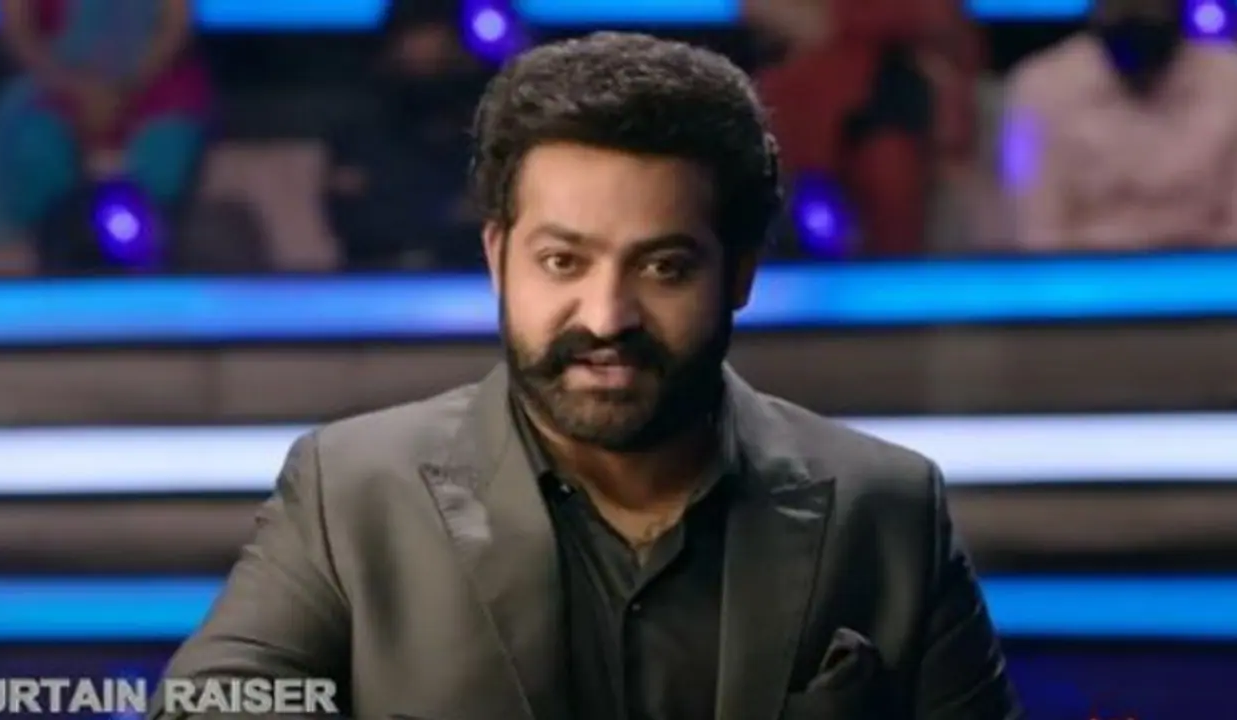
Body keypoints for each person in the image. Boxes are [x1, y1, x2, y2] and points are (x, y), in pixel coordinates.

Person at [151, 33, 1022, 720]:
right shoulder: (350, 494)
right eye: (563, 262)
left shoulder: (889, 511)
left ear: (740, 274)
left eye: (664, 267)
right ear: (498, 258)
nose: (606, 317)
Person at [0, 0, 210, 264]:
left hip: (149, 81)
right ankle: (55, 254)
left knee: (167, 152)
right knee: (36, 146)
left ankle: (148, 256)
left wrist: (125, 86)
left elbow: (175, 24)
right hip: (54, 82)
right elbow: (16, 30)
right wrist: (75, 88)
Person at [1003, 0, 1237, 251]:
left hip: (1208, 268)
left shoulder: (1230, 81)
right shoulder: (1038, 88)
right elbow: (1035, 228)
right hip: (1082, 269)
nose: (1135, 13)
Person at [751, 0, 981, 256]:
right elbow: (761, 8)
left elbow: (936, 17)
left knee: (888, 162)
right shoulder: (788, 85)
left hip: (901, 90)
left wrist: (837, 22)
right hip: (811, 87)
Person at [321, 1, 490, 271]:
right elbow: (353, 222)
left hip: (466, 277)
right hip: (376, 276)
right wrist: (440, 216)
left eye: (435, 35)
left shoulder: (485, 127)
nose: (424, 48)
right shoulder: (359, 130)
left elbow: (483, 219)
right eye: (414, 35)